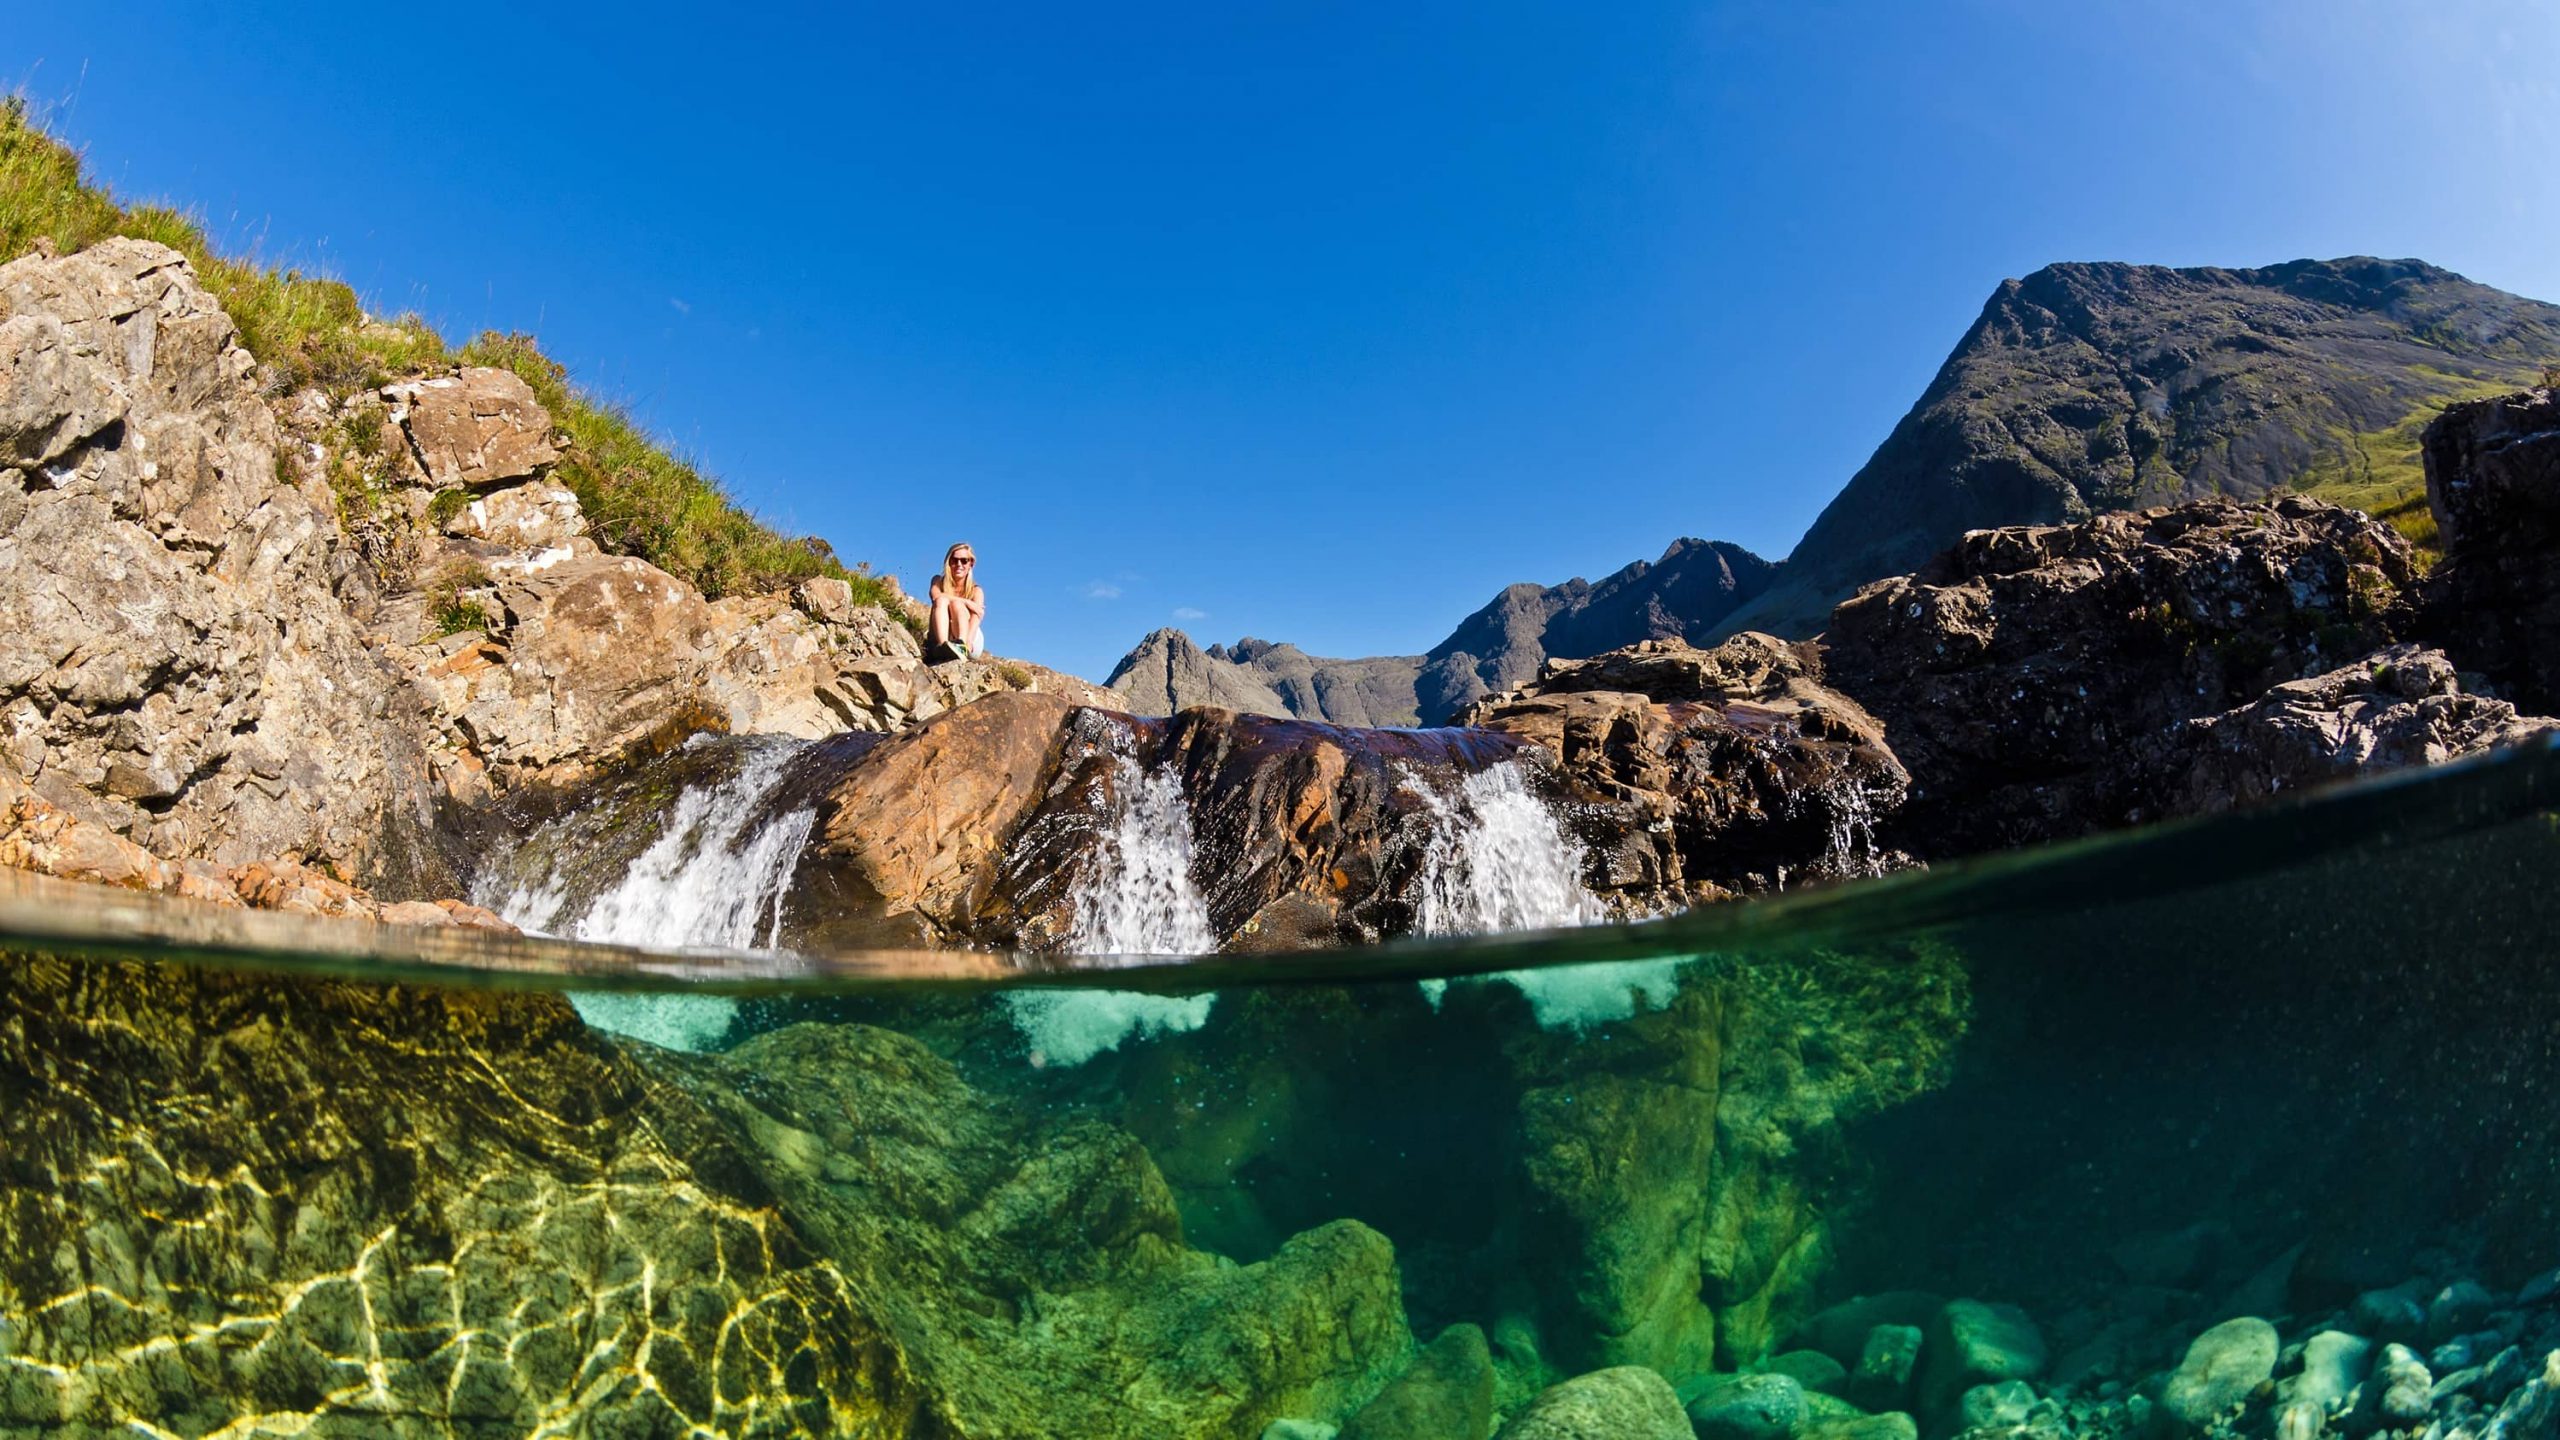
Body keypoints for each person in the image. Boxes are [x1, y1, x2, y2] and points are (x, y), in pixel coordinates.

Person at [926, 541, 985, 663]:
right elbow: (935, 596)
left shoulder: (976, 591)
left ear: (971, 564)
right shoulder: (938, 581)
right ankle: (943, 647)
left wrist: (968, 641)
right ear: (949, 562)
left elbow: (976, 617)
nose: (959, 564)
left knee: (956, 605)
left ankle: (961, 647)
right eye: (954, 560)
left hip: (970, 638)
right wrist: (967, 603)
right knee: (942, 600)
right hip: (943, 634)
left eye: (964, 561)